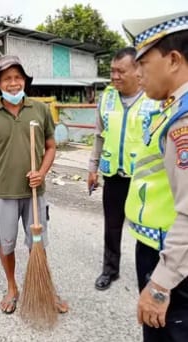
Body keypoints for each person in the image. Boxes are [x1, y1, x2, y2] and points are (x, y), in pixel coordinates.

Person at [0, 55, 68, 314]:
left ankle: (45, 288)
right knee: (6, 244)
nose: (14, 83)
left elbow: (51, 147)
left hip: (34, 193)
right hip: (4, 194)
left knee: (37, 244)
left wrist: (41, 172)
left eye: (18, 77)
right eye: (7, 78)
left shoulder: (39, 110)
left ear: (25, 80)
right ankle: (12, 287)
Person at [122, 12, 188, 341]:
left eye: (143, 63)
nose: (137, 73)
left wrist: (160, 285)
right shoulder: (171, 109)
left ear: (173, 60)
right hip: (159, 245)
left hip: (172, 256)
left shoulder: (183, 121)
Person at [88, 47, 161, 291]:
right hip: (114, 176)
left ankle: (154, 274)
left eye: (121, 71)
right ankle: (110, 270)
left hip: (144, 179)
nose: (115, 76)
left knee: (149, 229)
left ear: (138, 70)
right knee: (112, 225)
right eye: (112, 71)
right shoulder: (107, 97)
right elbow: (99, 135)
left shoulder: (154, 98)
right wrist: (92, 167)